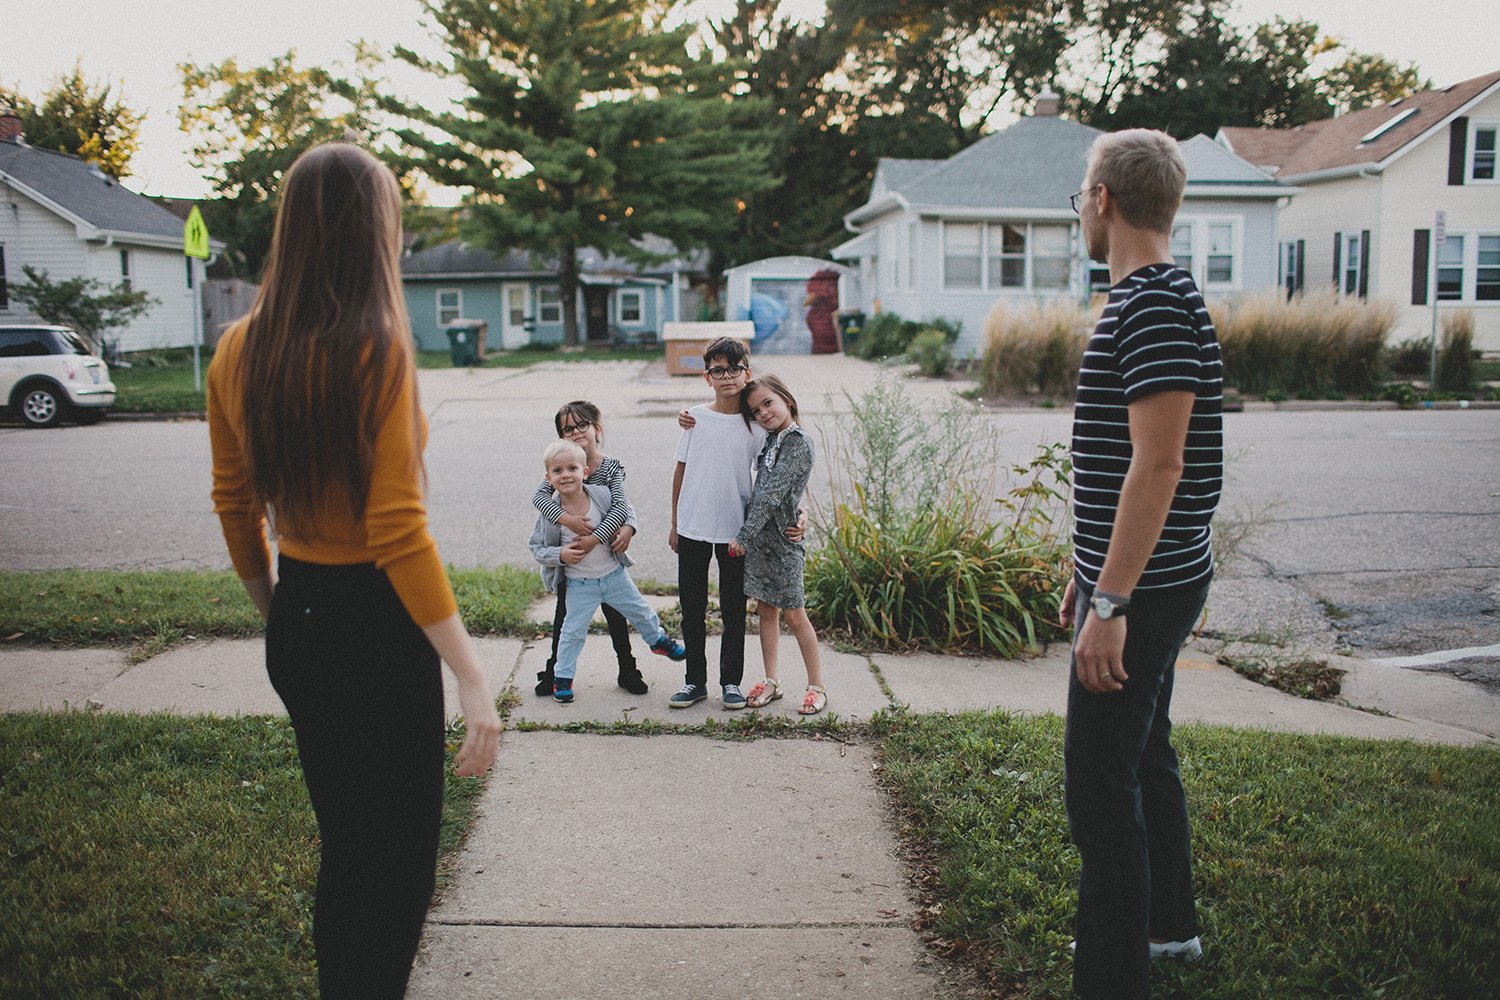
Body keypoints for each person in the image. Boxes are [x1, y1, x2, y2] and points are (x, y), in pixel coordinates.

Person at [206, 142, 501, 1000]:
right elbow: (398, 531)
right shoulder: (378, 349)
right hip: (376, 629)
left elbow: (234, 504)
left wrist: (279, 605)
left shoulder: (235, 349)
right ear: (374, 229)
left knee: (347, 847)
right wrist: (472, 678)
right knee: (399, 864)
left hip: (300, 617)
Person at [1059, 129, 1224, 1000]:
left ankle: (1111, 981)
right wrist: (1087, 572)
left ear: (1104, 200)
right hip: (1133, 578)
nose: (1080, 209)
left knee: (1097, 786)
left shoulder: (1153, 303)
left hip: (1147, 588)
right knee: (1146, 750)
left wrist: (1113, 600)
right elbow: (1120, 465)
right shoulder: (1144, 298)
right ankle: (1171, 931)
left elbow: (1159, 466)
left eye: (1080, 194)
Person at [530, 439, 685, 703]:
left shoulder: (600, 495)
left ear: (585, 472)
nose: (565, 475)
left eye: (572, 468)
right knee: (572, 632)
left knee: (642, 611)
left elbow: (623, 510)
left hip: (614, 575)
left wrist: (626, 528)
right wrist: (560, 555)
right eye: (557, 471)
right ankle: (563, 678)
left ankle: (657, 640)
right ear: (548, 478)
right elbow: (536, 547)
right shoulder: (550, 513)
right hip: (580, 584)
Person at [530, 401, 649, 697]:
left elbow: (623, 506)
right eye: (567, 429)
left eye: (582, 424)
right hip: (573, 566)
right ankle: (554, 671)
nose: (576, 432)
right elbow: (539, 499)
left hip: (606, 558)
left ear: (597, 428)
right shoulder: (562, 465)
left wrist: (627, 528)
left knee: (616, 616)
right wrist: (566, 519)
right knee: (565, 621)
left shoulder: (609, 468)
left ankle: (627, 668)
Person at [729, 375, 826, 715]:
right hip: (761, 542)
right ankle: (772, 680)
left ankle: (816, 686)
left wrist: (744, 536)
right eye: (756, 410)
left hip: (782, 542)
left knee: (794, 613)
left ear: (786, 398)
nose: (764, 413)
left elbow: (772, 494)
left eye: (768, 403)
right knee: (765, 611)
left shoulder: (798, 442)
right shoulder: (771, 439)